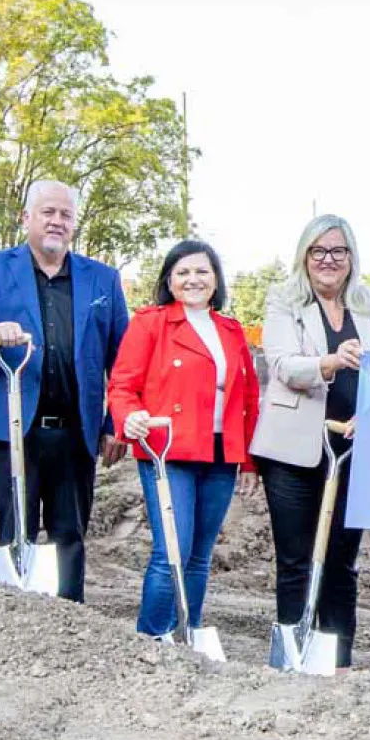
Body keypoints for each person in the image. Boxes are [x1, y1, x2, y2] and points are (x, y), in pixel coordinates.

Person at [0, 180, 129, 603]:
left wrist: (113, 422)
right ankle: (14, 619)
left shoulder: (103, 279)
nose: (56, 221)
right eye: (48, 212)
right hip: (11, 428)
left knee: (70, 536)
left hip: (75, 433)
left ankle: (69, 622)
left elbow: (123, 360)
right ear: (26, 217)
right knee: (16, 533)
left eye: (66, 215)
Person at [250, 215, 370, 668]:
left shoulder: (369, 305)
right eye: (319, 251)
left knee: (342, 562)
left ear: (351, 257)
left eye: (338, 251)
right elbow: (284, 366)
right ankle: (294, 656)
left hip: (351, 448)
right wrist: (331, 361)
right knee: (296, 559)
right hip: (293, 449)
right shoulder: (285, 300)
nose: (329, 260)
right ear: (305, 255)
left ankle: (338, 660)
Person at [109, 239, 261, 638]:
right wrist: (130, 417)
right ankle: (151, 640)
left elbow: (247, 398)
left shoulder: (231, 330)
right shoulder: (151, 323)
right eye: (183, 272)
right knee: (172, 553)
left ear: (216, 279)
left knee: (199, 556)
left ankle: (187, 637)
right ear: (169, 281)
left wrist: (248, 460)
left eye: (202, 271)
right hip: (168, 450)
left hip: (221, 454)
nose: (193, 279)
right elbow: (122, 385)